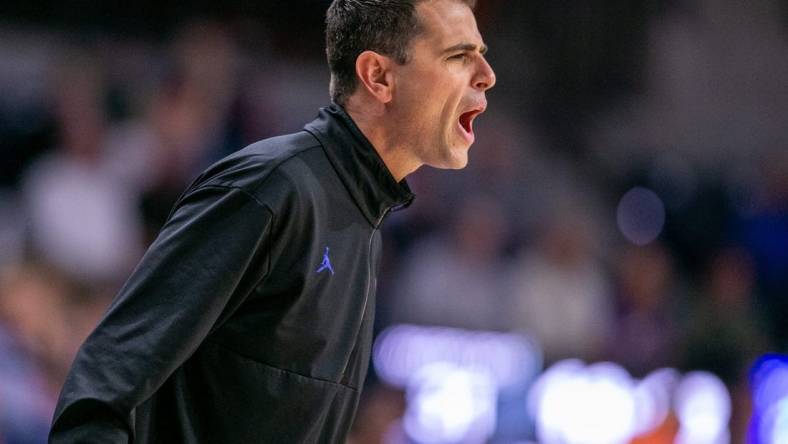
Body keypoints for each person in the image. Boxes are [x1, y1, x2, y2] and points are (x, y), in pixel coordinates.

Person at [49, 0, 495, 442]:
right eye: (458, 56)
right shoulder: (271, 189)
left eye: (481, 54)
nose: (486, 76)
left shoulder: (363, 222)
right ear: (378, 76)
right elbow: (101, 391)